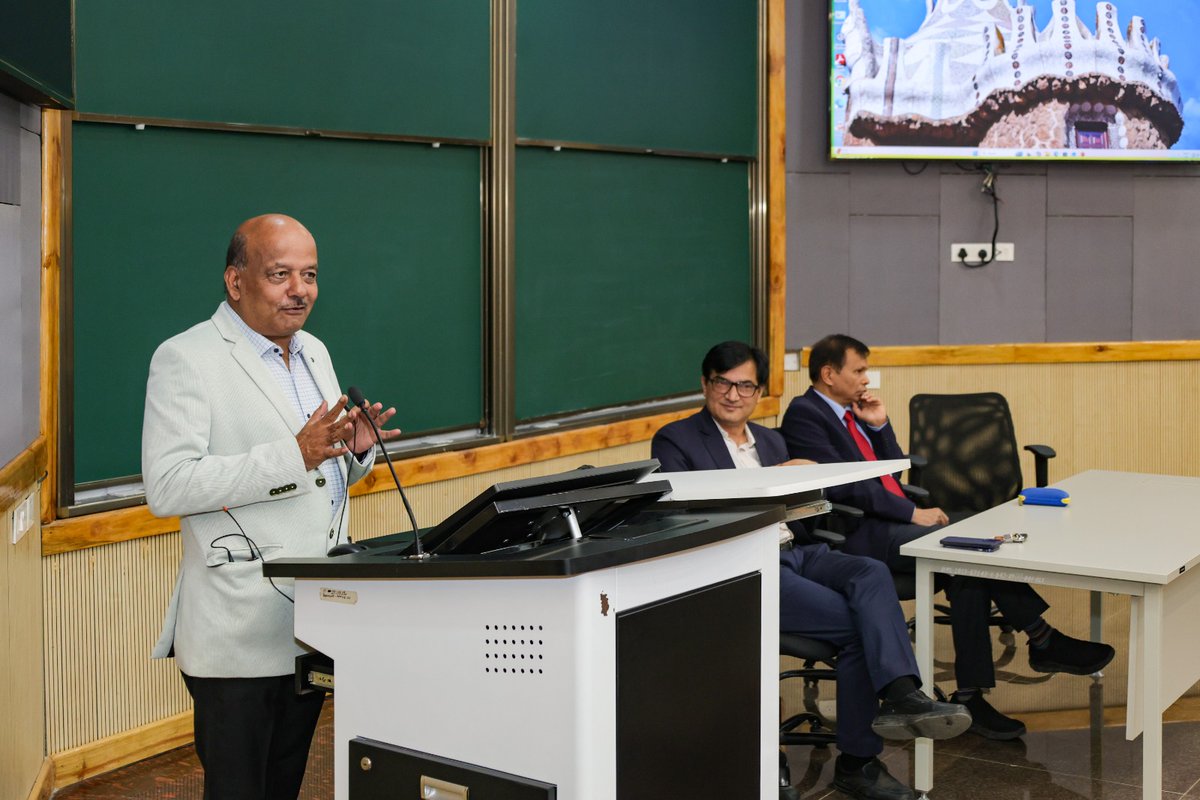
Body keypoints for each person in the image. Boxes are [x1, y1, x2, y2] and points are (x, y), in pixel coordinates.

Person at [142, 214, 400, 799]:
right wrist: (295, 454)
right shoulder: (187, 358)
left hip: (311, 621)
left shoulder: (313, 351)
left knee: (284, 785)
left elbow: (318, 473)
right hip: (238, 631)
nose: (299, 290)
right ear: (236, 282)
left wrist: (354, 453)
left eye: (309, 274)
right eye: (280, 274)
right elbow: (168, 485)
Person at [653, 341, 970, 800]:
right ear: (705, 384)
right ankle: (861, 759)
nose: (733, 394)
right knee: (863, 629)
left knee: (868, 572)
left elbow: (812, 516)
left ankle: (900, 694)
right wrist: (770, 483)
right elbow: (681, 514)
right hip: (742, 564)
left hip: (797, 549)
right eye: (723, 382)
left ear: (759, 392)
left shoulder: (773, 440)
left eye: (746, 385)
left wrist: (805, 485)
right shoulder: (676, 439)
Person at [780, 333, 1115, 741]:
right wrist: (910, 511)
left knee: (967, 566)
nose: (868, 379)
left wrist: (880, 425)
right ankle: (1043, 639)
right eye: (860, 370)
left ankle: (974, 693)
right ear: (829, 374)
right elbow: (843, 485)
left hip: (883, 521)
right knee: (965, 547)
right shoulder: (805, 414)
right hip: (854, 533)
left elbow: (892, 471)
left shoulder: (853, 412)